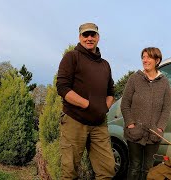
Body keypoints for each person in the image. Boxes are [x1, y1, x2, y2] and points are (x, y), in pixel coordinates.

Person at [56, 22, 116, 180]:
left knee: (107, 169)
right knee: (69, 171)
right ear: (79, 37)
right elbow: (62, 88)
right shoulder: (72, 57)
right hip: (75, 120)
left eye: (92, 34)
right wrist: (88, 105)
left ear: (98, 37)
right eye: (85, 34)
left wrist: (104, 108)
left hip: (99, 124)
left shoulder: (105, 65)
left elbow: (111, 92)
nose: (89, 38)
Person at [120, 47, 171, 180]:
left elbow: (166, 109)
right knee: (134, 167)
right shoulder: (134, 79)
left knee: (148, 169)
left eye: (148, 57)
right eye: (143, 57)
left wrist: (159, 128)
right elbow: (125, 104)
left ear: (157, 60)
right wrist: (130, 124)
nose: (145, 60)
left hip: (154, 134)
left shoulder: (164, 82)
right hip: (134, 133)